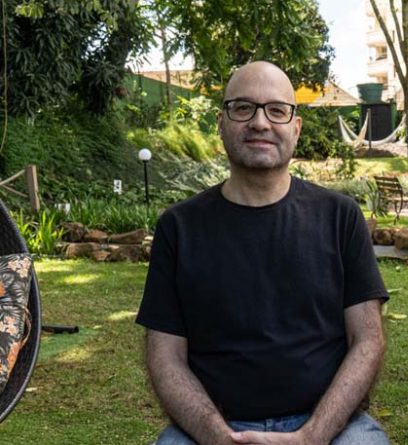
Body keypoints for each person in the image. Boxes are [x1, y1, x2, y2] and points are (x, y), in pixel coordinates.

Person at [136, 61, 389, 445]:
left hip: (330, 428)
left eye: (276, 110)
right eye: (243, 108)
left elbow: (368, 340)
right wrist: (219, 437)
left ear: (296, 127)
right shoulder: (179, 227)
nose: (260, 122)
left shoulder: (341, 217)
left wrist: (311, 437)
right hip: (212, 430)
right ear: (221, 123)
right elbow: (164, 356)